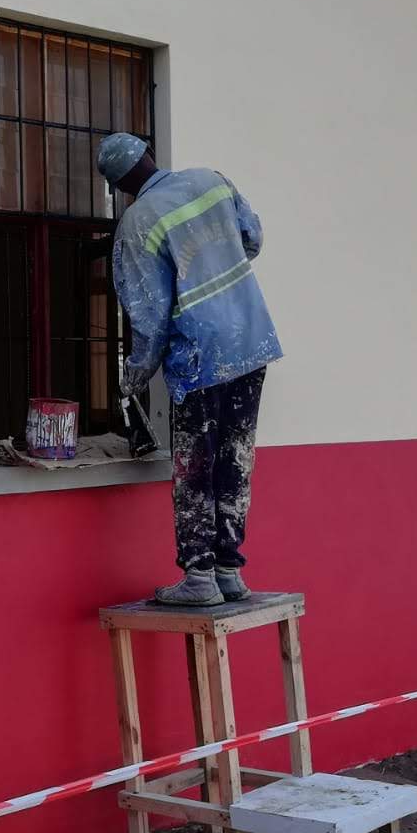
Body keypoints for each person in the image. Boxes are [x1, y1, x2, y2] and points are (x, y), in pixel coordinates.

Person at [97, 132, 283, 606]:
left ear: (118, 187)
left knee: (195, 464)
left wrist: (136, 373)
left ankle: (199, 577)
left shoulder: (138, 222)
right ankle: (228, 571)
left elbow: (149, 314)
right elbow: (252, 237)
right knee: (235, 457)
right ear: (149, 155)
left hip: (200, 356)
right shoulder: (210, 181)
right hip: (251, 339)